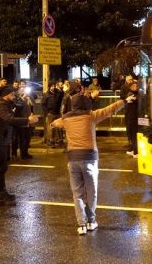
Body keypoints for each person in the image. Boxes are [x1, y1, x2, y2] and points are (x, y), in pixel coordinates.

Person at [51, 89, 135, 235]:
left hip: (73, 159)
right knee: (91, 192)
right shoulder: (91, 116)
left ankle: (81, 225)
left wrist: (55, 123)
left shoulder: (65, 119)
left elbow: (54, 123)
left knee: (77, 194)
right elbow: (110, 109)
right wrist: (125, 101)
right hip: (89, 158)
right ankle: (91, 221)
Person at [0, 86, 37, 206]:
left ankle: (3, 193)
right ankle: (2, 195)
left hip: (1, 139)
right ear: (6, 95)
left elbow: (19, 104)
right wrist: (27, 120)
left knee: (2, 167)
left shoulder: (6, 103)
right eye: (13, 95)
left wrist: (21, 97)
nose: (14, 97)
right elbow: (8, 119)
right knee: (0, 168)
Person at [122, 80, 139, 157]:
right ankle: (135, 152)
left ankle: (131, 150)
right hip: (132, 118)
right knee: (134, 135)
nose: (137, 87)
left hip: (131, 118)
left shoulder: (132, 94)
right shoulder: (131, 95)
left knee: (132, 135)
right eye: (135, 86)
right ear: (131, 87)